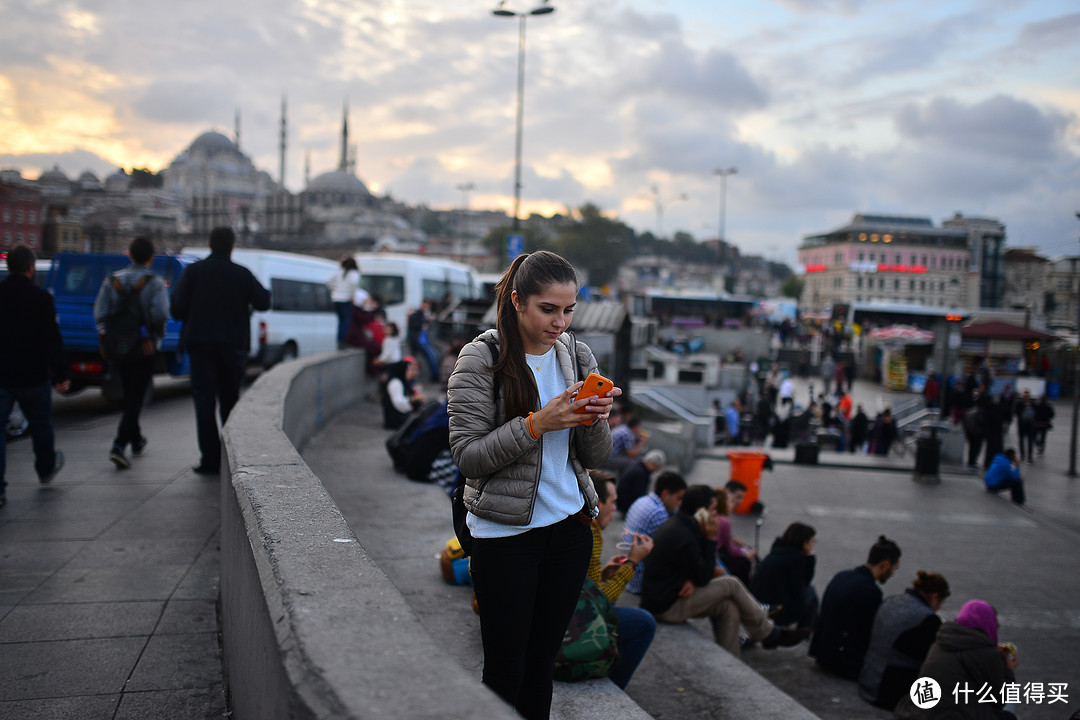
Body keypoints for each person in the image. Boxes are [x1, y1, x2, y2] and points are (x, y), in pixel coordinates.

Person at [447, 250, 616, 720]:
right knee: (505, 670)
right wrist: (537, 424)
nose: (559, 322)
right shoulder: (481, 359)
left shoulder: (577, 356)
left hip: (568, 531)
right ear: (517, 301)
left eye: (569, 310)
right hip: (504, 536)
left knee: (542, 666)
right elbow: (468, 456)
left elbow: (597, 457)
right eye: (548, 309)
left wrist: (595, 419)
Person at [639, 484, 807, 655]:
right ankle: (768, 632)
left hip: (667, 596)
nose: (715, 515)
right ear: (700, 511)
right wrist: (710, 539)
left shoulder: (681, 524)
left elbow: (692, 567)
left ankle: (732, 659)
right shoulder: (684, 535)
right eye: (712, 510)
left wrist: (689, 578)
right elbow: (704, 575)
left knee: (728, 607)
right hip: (666, 606)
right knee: (731, 584)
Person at [171, 227, 271, 475]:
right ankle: (231, 458)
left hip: (201, 345)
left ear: (209, 243)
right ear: (232, 246)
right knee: (229, 402)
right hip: (232, 347)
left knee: (204, 403)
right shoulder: (241, 274)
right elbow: (264, 302)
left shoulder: (193, 272)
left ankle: (210, 460)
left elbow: (176, 308)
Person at [0, 246, 70, 507]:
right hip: (32, 375)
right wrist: (61, 373)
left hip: (2, 375)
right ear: (30, 268)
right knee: (41, 425)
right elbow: (51, 339)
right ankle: (45, 469)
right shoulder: (41, 298)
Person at [94, 237, 170, 469]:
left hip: (118, 346)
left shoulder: (112, 280)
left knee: (130, 392)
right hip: (144, 347)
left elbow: (100, 314)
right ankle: (119, 445)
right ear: (151, 259)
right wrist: (155, 335)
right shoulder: (155, 283)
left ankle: (136, 440)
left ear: (129, 255)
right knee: (136, 397)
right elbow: (160, 315)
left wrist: (107, 338)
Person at [585, 470, 656, 689]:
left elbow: (584, 582)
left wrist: (606, 573)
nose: (615, 509)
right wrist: (632, 563)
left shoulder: (576, 524)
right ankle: (611, 686)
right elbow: (600, 601)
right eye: (613, 502)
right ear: (597, 502)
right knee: (645, 623)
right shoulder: (590, 533)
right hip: (568, 623)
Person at [894, 600, 1019, 720]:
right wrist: (1008, 671)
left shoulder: (939, 643)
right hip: (956, 715)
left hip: (919, 713)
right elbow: (999, 700)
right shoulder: (988, 653)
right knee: (1009, 715)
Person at [809, 535, 902, 679]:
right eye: (894, 569)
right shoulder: (871, 591)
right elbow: (868, 633)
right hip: (842, 662)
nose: (893, 574)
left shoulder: (843, 575)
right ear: (885, 565)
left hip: (821, 652)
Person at [859, 571, 950, 711]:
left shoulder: (891, 600)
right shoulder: (927, 619)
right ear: (935, 597)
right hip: (890, 692)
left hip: (867, 678)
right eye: (941, 603)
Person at [623, 470, 686, 594]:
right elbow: (669, 549)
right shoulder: (659, 512)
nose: (680, 503)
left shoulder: (643, 500)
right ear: (666, 494)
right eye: (678, 498)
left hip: (627, 572)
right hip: (640, 579)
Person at [750, 522, 818, 632]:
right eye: (812, 541)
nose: (813, 544)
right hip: (777, 609)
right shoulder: (796, 559)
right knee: (811, 592)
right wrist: (811, 559)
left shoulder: (778, 551)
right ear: (805, 543)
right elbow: (799, 588)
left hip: (759, 603)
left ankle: (805, 629)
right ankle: (805, 630)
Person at [712, 487, 754, 585]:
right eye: (730, 502)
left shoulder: (715, 518)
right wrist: (745, 553)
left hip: (716, 555)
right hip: (720, 558)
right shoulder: (724, 521)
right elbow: (730, 548)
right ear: (723, 504)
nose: (733, 505)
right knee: (744, 563)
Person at [615, 448, 665, 515]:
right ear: (652, 464)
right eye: (656, 467)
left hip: (621, 503)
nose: (655, 471)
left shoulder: (637, 466)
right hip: (626, 507)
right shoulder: (640, 473)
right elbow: (639, 495)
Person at [381, 357, 426, 430]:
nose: (410, 372)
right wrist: (413, 399)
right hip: (395, 419)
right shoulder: (395, 383)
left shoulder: (403, 382)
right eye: (408, 370)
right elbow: (399, 404)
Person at [327, 256, 360, 346]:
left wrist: (335, 289)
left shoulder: (338, 272)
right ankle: (343, 340)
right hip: (345, 299)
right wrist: (352, 296)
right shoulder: (354, 273)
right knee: (346, 320)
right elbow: (354, 284)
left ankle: (339, 339)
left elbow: (328, 281)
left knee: (340, 320)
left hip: (336, 298)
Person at [407, 299, 441, 383]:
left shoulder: (424, 314)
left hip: (424, 340)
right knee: (431, 356)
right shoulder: (417, 315)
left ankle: (435, 376)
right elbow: (415, 325)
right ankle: (435, 376)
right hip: (420, 341)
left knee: (434, 356)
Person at [1014, 390, 1036, 463]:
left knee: (1030, 441)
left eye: (1027, 396)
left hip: (1030, 425)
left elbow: (1036, 412)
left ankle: (1029, 456)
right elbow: (1016, 412)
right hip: (1022, 425)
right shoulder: (1019, 404)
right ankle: (1022, 455)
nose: (1025, 397)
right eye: (1024, 396)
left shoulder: (1032, 404)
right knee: (1021, 441)